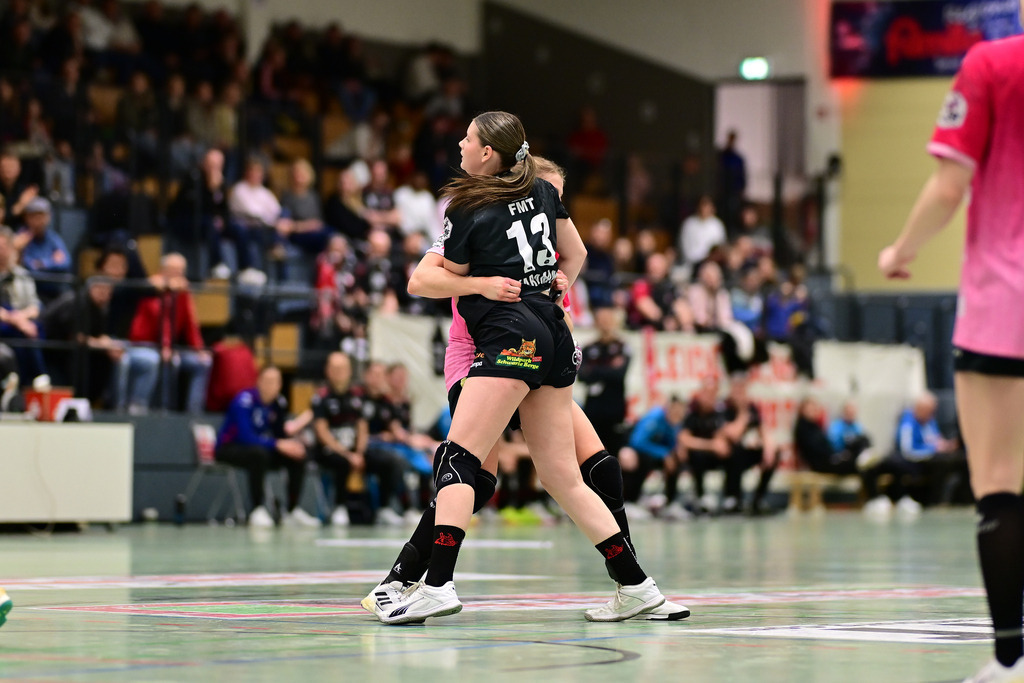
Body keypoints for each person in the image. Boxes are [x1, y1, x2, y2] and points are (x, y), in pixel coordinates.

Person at [374, 114, 669, 624]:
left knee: (457, 461)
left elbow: (440, 279)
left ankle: (436, 585)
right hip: (555, 332)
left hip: (508, 339)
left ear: (488, 153)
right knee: (563, 477)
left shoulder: (466, 206)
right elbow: (576, 252)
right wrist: (555, 284)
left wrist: (480, 285)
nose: (461, 144)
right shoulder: (543, 192)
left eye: (469, 138)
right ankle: (637, 585)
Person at [877, 27, 1024, 682]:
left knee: (999, 483)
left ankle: (1011, 659)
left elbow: (947, 186)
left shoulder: (992, 64)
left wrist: (900, 250)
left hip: (1005, 305)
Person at [215, 365, 320, 528]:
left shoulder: (278, 404)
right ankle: (257, 509)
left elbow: (280, 435)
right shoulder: (244, 400)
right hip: (230, 448)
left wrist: (291, 443)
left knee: (296, 455)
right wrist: (278, 444)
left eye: (275, 382)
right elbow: (245, 436)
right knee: (258, 455)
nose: (271, 386)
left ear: (280, 385)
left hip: (262, 448)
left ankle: (292, 511)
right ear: (259, 381)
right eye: (267, 381)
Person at [310, 351, 371, 528]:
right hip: (330, 451)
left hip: (354, 450)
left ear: (349, 370)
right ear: (327, 371)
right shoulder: (321, 397)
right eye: (335, 368)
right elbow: (322, 432)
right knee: (341, 462)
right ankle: (340, 507)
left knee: (384, 460)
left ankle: (385, 508)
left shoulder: (357, 396)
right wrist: (347, 454)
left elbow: (362, 428)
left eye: (342, 368)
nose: (339, 372)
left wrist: (359, 453)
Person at [618, 395, 687, 520]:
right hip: (634, 449)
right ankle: (630, 501)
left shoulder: (675, 423)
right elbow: (637, 441)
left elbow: (670, 443)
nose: (678, 415)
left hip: (656, 454)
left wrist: (676, 449)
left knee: (676, 459)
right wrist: (664, 454)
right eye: (676, 411)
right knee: (642, 460)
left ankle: (671, 502)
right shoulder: (655, 417)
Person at [719, 376, 778, 515]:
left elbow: (763, 430)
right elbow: (733, 435)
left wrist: (769, 449)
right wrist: (743, 414)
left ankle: (758, 499)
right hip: (728, 455)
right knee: (735, 453)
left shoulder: (752, 408)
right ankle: (733, 498)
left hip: (746, 452)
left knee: (774, 455)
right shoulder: (724, 407)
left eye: (742, 389)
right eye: (736, 389)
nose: (739, 393)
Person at [578, 305, 631, 458]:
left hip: (615, 409)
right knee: (590, 454)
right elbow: (582, 376)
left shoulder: (622, 347)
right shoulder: (588, 348)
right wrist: (609, 368)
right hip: (593, 409)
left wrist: (595, 370)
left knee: (615, 454)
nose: (605, 323)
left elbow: (619, 374)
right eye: (601, 320)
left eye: (608, 319)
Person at [678, 377, 730, 514]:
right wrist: (710, 445)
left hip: (713, 456)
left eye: (713, 393)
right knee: (697, 455)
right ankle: (700, 496)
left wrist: (720, 443)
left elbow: (722, 438)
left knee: (735, 453)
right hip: (696, 455)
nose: (710, 397)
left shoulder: (719, 413)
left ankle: (731, 497)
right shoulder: (692, 412)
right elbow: (685, 439)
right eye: (707, 392)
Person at [679, 195, 727, 267]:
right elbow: (684, 249)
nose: (705, 209)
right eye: (703, 205)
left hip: (711, 264)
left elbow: (720, 247)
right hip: (691, 264)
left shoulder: (717, 225)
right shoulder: (688, 224)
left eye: (707, 206)